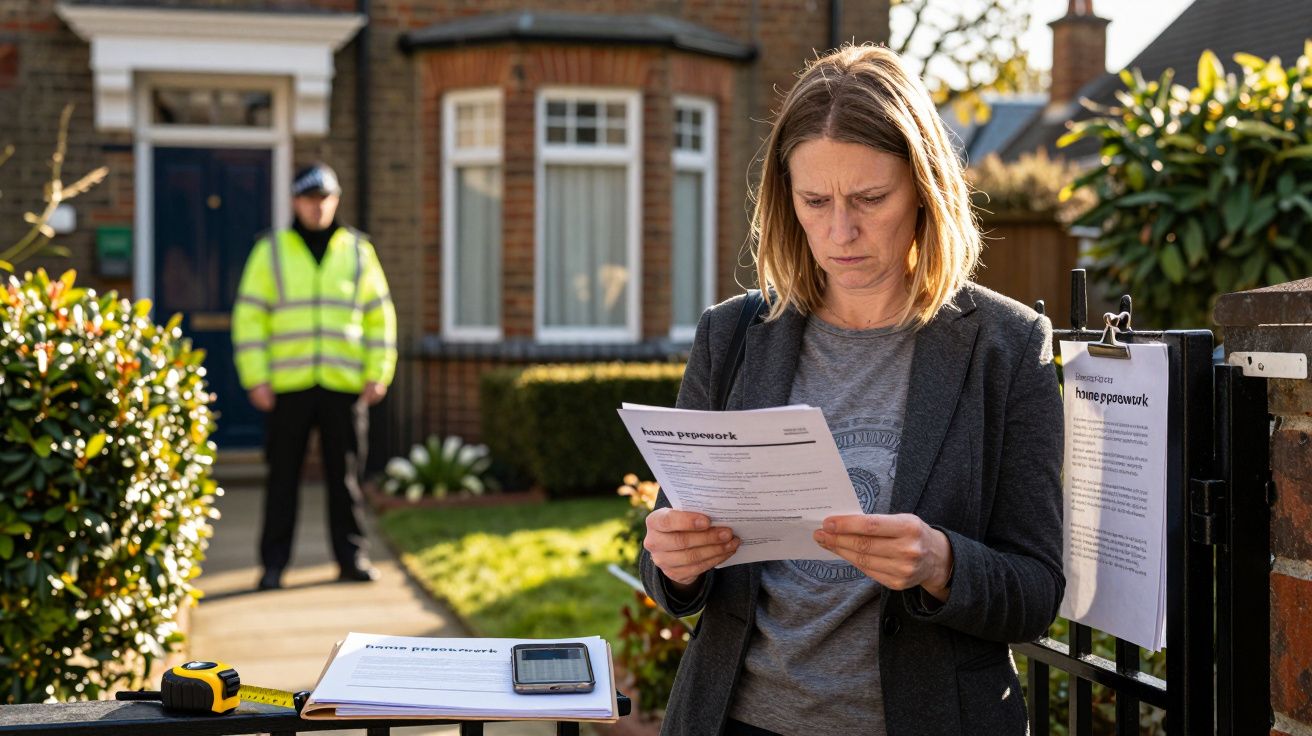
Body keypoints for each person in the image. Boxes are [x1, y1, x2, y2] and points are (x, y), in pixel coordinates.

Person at [638, 45, 1064, 736]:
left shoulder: (1005, 346)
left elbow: (1036, 592)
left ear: (924, 191)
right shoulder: (733, 335)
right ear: (787, 200)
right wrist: (677, 564)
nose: (840, 232)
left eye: (870, 199)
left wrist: (940, 562)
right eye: (815, 200)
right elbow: (669, 569)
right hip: (736, 720)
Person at [232, 163, 398, 591]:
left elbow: (380, 316)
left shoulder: (359, 250)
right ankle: (273, 566)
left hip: (343, 386)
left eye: (325, 198)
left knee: (346, 480)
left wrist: (378, 374)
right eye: (309, 198)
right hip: (288, 387)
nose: (317, 207)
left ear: (336, 200)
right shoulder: (270, 250)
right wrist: (256, 379)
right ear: (295, 202)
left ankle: (352, 558)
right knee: (282, 478)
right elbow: (249, 316)